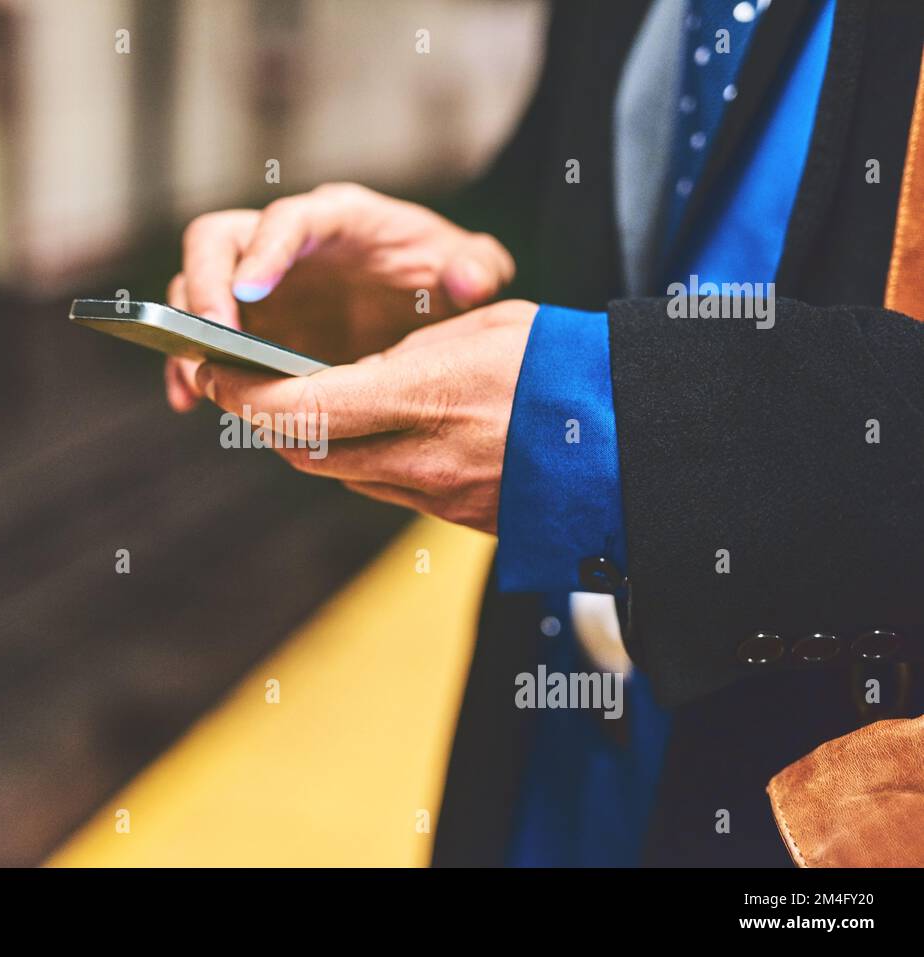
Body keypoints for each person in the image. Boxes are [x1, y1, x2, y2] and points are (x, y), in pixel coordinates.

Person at [163, 0, 924, 866]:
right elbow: (582, 220)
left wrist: (613, 428)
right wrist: (414, 296)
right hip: (556, 755)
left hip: (807, 802)